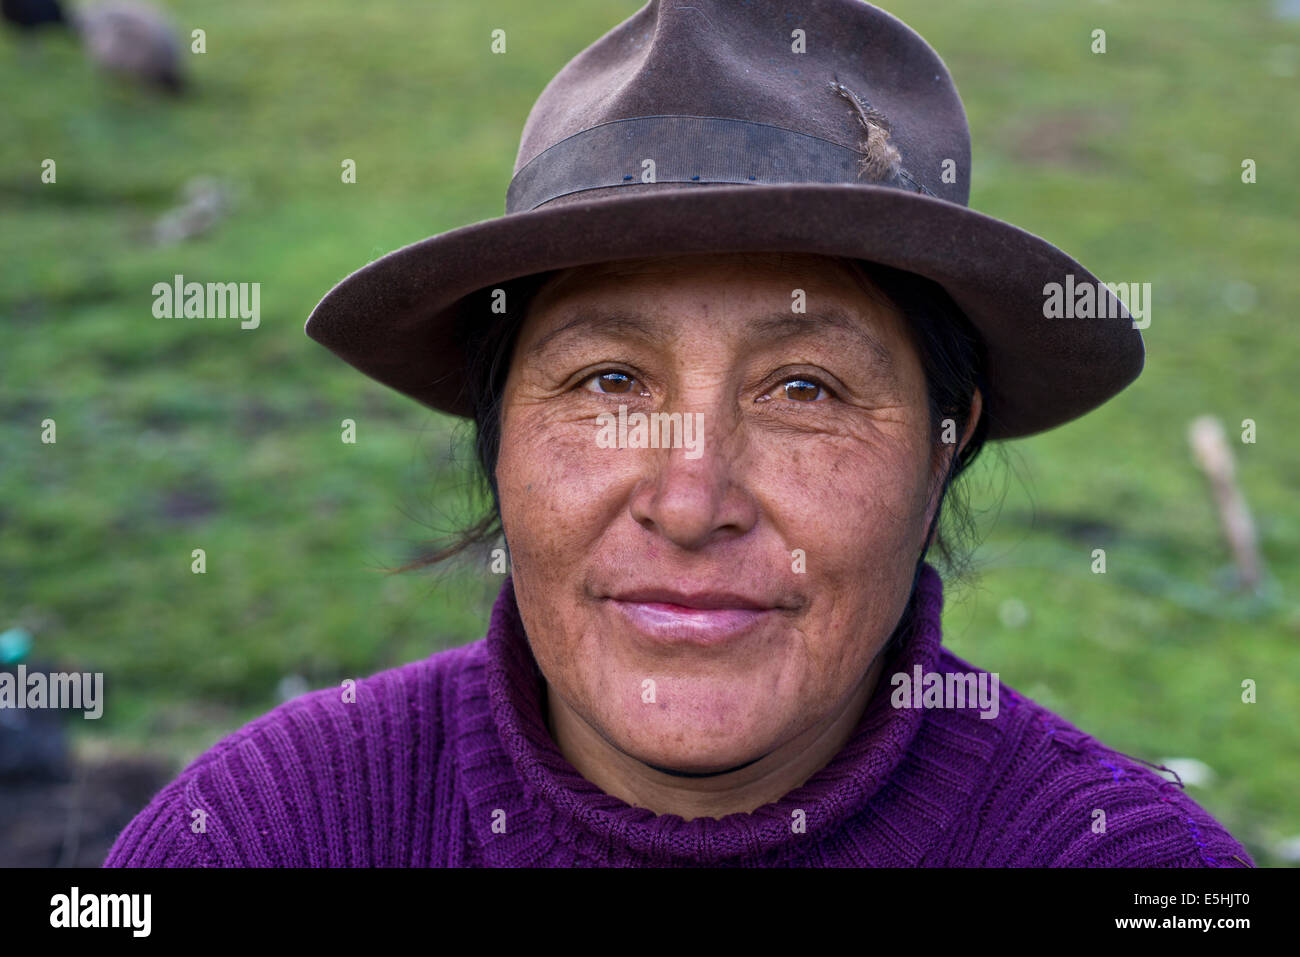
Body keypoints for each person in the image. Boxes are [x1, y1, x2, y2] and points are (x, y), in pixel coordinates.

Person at [105, 0, 1253, 867]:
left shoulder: (1127, 865)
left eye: (806, 390)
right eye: (607, 380)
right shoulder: (263, 837)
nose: (692, 499)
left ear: (947, 443)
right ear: (498, 431)